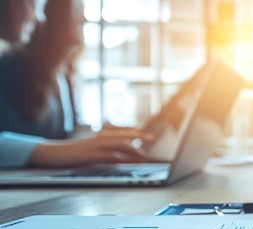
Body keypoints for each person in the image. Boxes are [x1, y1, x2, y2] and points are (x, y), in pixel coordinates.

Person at [0, 0, 152, 168]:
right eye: (77, 17)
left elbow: (60, 138)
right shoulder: (8, 65)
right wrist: (51, 152)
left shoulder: (61, 75)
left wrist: (96, 137)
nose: (38, 16)